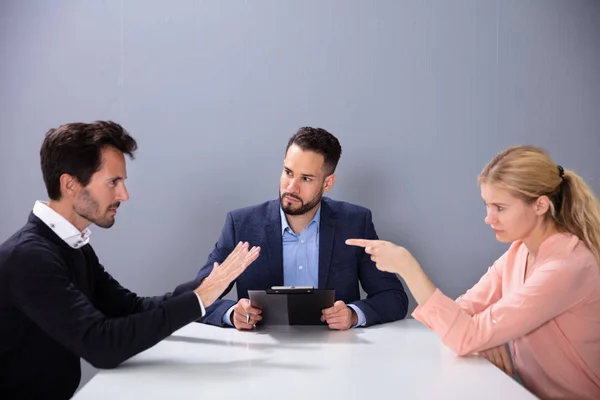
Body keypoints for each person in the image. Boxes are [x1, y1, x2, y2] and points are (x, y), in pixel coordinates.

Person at [0, 121, 261, 400]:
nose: (124, 195)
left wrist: (206, 287)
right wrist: (199, 299)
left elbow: (130, 308)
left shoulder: (73, 248)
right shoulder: (29, 258)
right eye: (113, 182)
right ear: (70, 184)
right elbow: (102, 345)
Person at [347, 145, 600, 399]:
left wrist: (408, 268)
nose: (489, 218)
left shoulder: (566, 266)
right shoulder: (518, 253)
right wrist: (489, 337)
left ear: (540, 205)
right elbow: (462, 312)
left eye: (500, 207)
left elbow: (464, 334)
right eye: (487, 205)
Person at [196, 127, 408, 330]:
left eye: (306, 178)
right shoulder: (241, 225)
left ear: (327, 183)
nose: (291, 187)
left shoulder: (354, 223)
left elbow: (393, 297)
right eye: (288, 172)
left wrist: (353, 315)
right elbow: (196, 298)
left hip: (339, 355)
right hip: (260, 355)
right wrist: (233, 313)